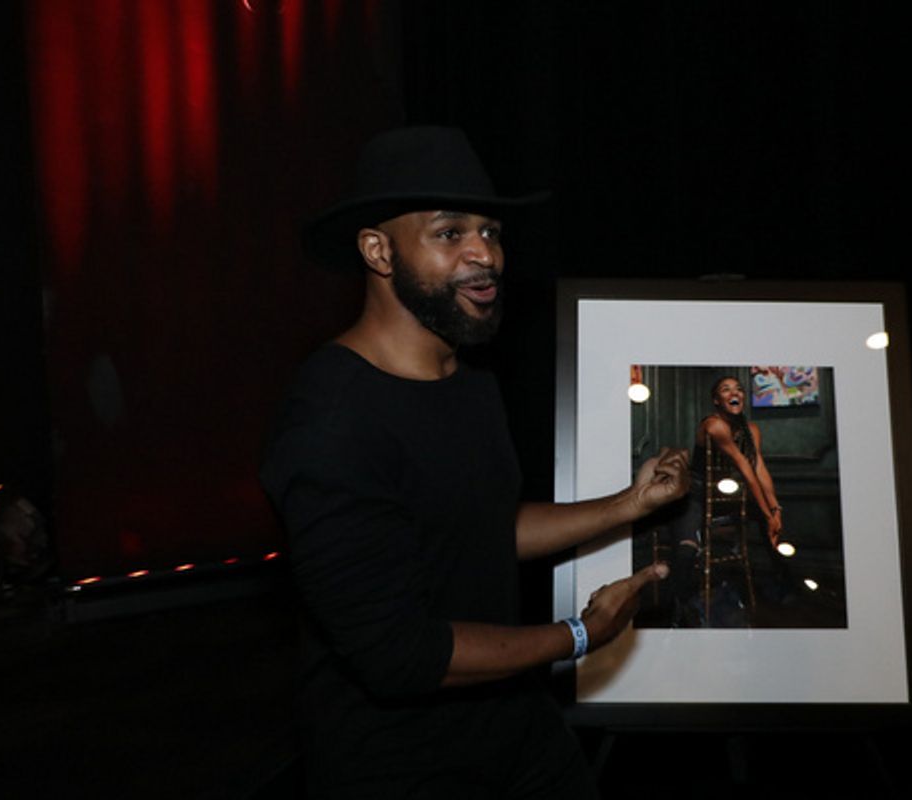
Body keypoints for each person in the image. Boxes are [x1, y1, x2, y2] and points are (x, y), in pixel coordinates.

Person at [259, 126, 689, 798]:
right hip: (399, 767)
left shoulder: (468, 376)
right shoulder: (331, 422)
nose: (483, 254)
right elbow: (400, 656)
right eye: (449, 232)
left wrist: (626, 506)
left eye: (490, 232)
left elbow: (478, 526)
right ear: (377, 250)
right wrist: (579, 635)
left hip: (519, 736)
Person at [666, 375, 783, 626]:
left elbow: (759, 468)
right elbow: (745, 470)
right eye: (726, 389)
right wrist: (767, 513)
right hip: (694, 496)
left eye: (739, 389)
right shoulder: (713, 425)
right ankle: (677, 613)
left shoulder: (751, 431)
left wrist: (775, 510)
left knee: (774, 527)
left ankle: (784, 587)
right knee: (686, 551)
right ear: (716, 400)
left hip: (722, 498)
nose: (735, 393)